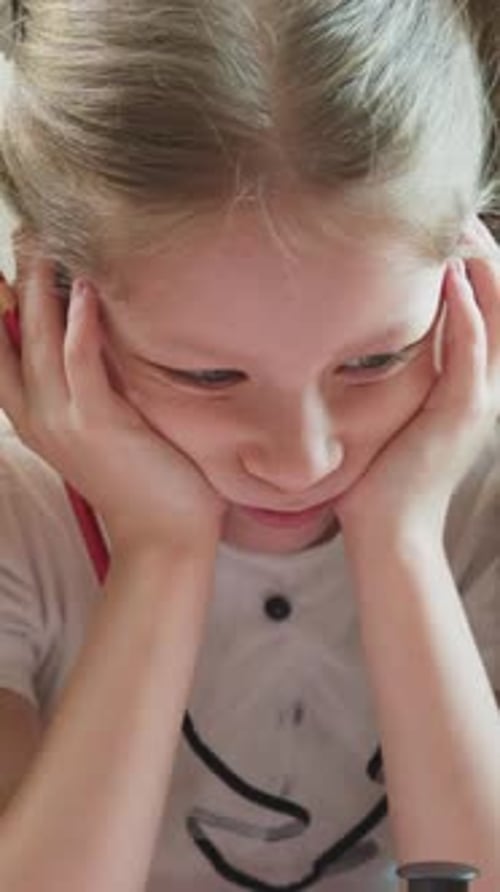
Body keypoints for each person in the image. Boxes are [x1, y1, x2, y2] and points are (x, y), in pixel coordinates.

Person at [0, 2, 498, 890]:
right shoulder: (18, 520)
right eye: (207, 377)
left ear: (470, 285)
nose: (302, 459)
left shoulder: (482, 497)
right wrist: (161, 548)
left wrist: (402, 539)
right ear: (44, 313)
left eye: (377, 358)